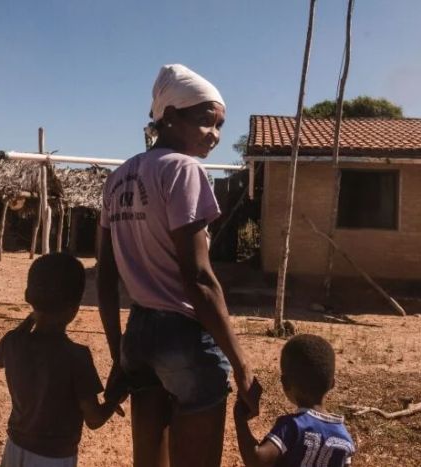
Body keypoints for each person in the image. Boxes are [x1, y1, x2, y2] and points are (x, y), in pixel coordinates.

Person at [97, 63, 260, 467]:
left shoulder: (116, 179)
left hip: (139, 333)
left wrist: (119, 353)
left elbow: (104, 275)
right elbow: (199, 279)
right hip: (185, 338)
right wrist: (241, 366)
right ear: (169, 116)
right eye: (206, 122)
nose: (215, 136)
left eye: (220, 125)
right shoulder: (184, 169)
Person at [0, 253, 122, 467]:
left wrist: (30, 320)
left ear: (28, 296)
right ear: (75, 306)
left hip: (14, 449)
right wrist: (114, 399)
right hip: (53, 458)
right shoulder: (76, 357)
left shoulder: (13, 343)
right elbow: (94, 419)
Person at [234, 335, 355, 467]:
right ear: (332, 384)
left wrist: (240, 419)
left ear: (285, 383)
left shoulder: (293, 427)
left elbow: (257, 461)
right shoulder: (345, 438)